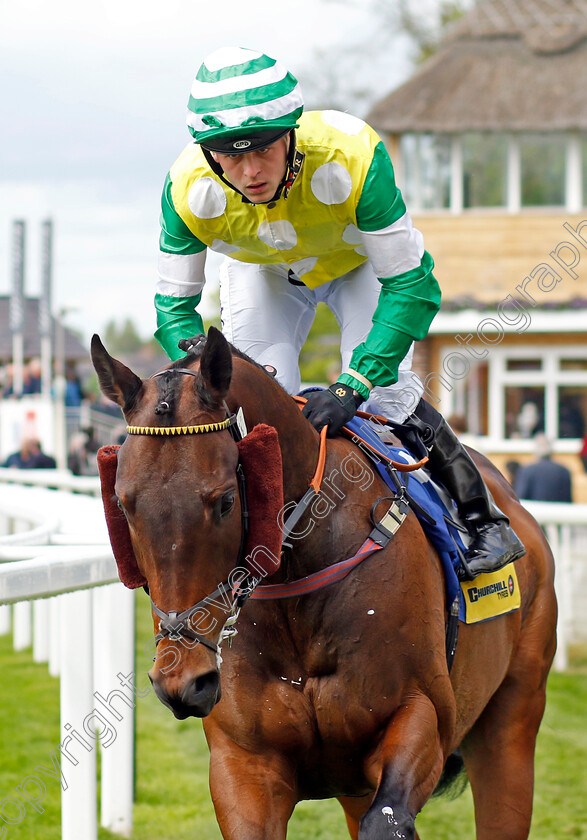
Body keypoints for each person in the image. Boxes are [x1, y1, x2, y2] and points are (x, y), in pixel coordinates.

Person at [153, 46, 523, 580]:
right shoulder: (185, 189)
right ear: (208, 155)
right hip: (265, 274)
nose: (251, 171)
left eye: (264, 150)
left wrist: (355, 383)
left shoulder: (353, 155)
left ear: (291, 135)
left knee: (387, 395)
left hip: (359, 267)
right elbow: (174, 310)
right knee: (256, 401)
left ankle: (482, 518)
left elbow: (413, 286)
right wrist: (207, 380)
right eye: (231, 157)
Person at [514, 434, 572, 503]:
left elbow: (520, 498)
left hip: (533, 511)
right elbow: (567, 500)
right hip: (557, 512)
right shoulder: (564, 471)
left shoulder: (527, 470)